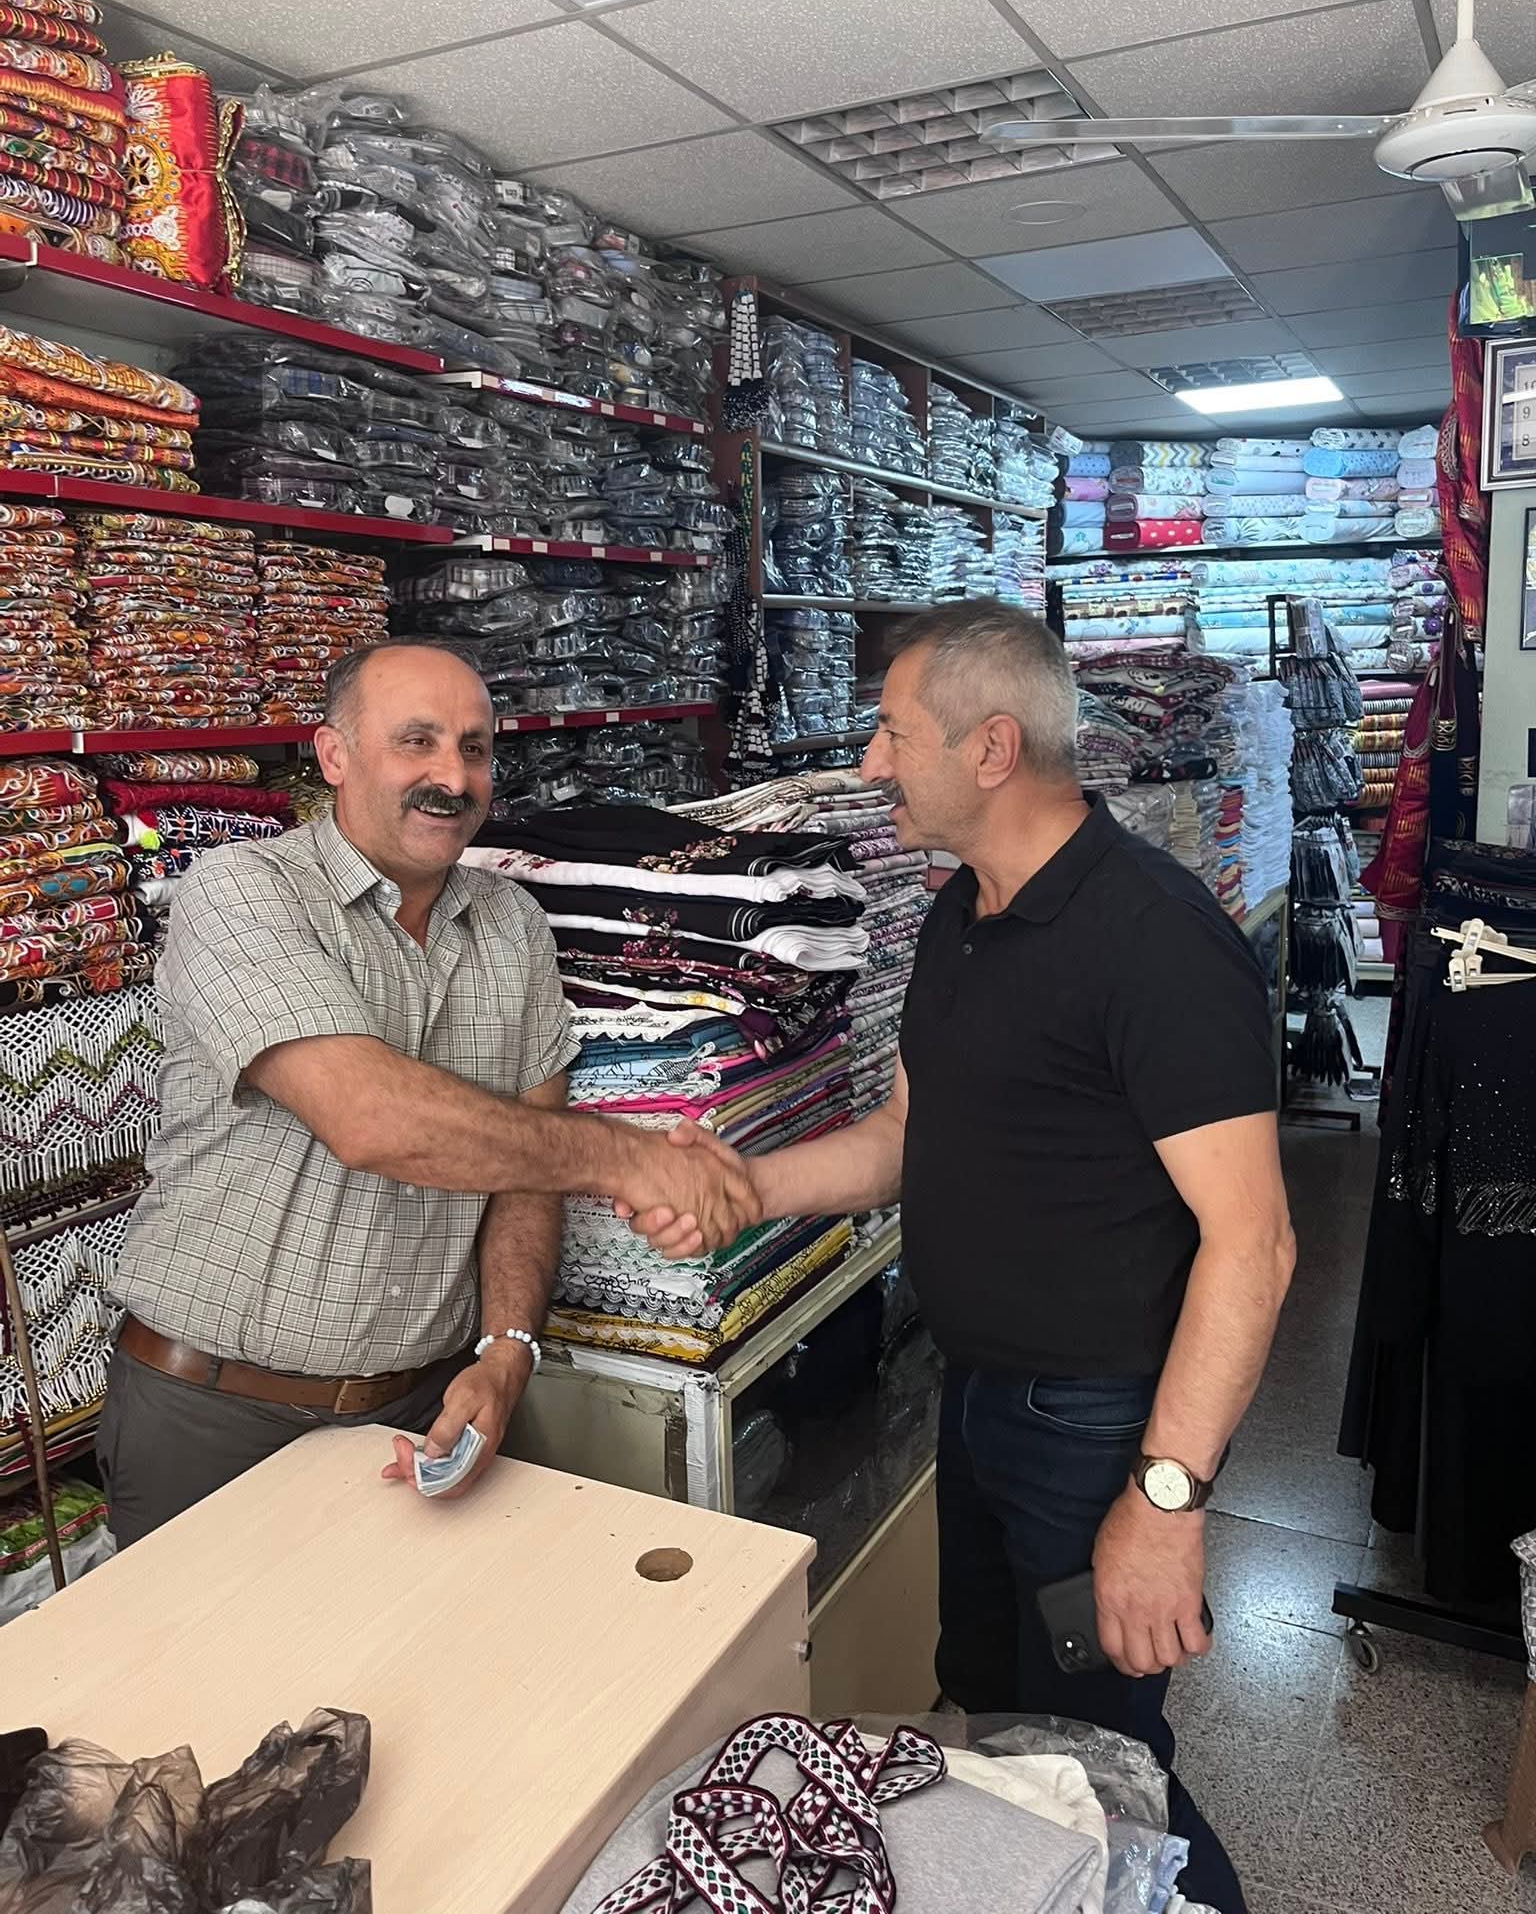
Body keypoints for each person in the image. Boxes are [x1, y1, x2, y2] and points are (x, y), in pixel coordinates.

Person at [625, 602, 1294, 1914]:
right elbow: (900, 1142)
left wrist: (1165, 1501)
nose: (870, 763)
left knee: (1103, 1762)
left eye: (892, 734)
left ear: (991, 748)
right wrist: (743, 1187)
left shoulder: (1152, 940)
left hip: (1097, 1422)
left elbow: (1255, 1241)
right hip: (982, 1402)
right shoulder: (963, 915)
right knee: (992, 1718)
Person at [98, 639, 754, 1546]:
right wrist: (629, 1158)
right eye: (417, 742)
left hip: (420, 1414)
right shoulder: (243, 892)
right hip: (214, 1414)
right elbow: (370, 1118)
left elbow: (527, 1167)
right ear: (334, 756)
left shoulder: (510, 922)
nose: (452, 777)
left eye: (474, 749)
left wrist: (508, 1349)